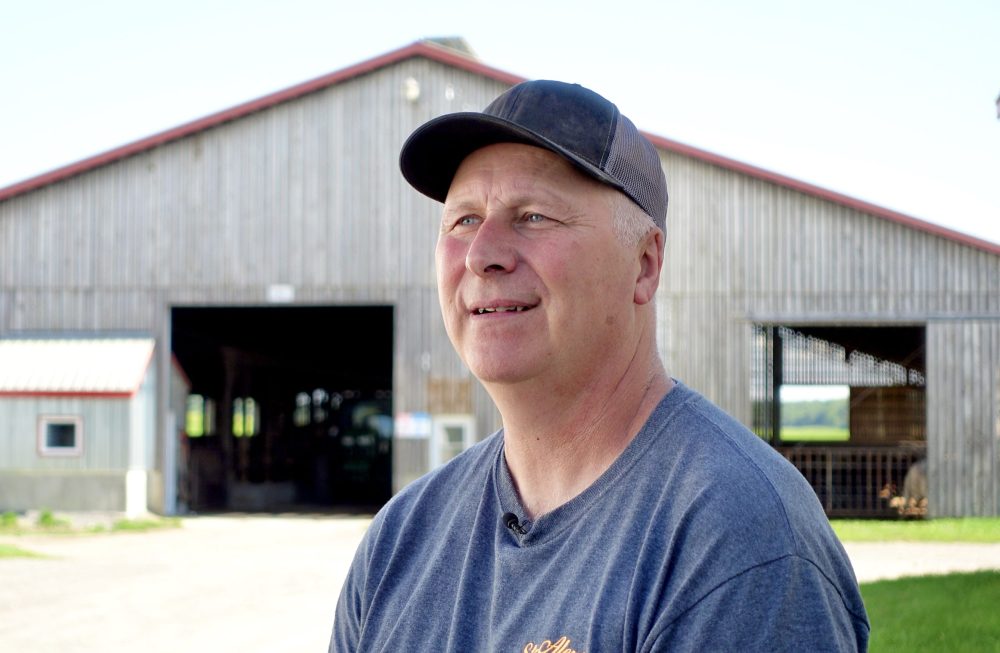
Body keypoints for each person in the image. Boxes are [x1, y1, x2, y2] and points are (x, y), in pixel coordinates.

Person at [330, 80, 869, 652]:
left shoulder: (736, 537)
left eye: (533, 216)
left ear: (643, 265)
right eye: (463, 220)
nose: (483, 254)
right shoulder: (398, 541)